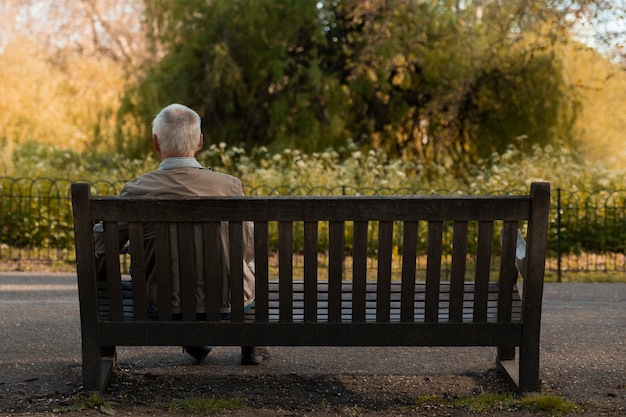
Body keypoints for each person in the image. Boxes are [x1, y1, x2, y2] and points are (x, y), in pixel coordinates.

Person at [93, 103, 268, 365]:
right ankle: (253, 343)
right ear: (200, 141)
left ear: (155, 143)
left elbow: (102, 244)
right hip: (230, 303)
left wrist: (124, 258)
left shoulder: (137, 190)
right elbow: (246, 247)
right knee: (246, 267)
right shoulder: (229, 186)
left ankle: (194, 339)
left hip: (162, 303)